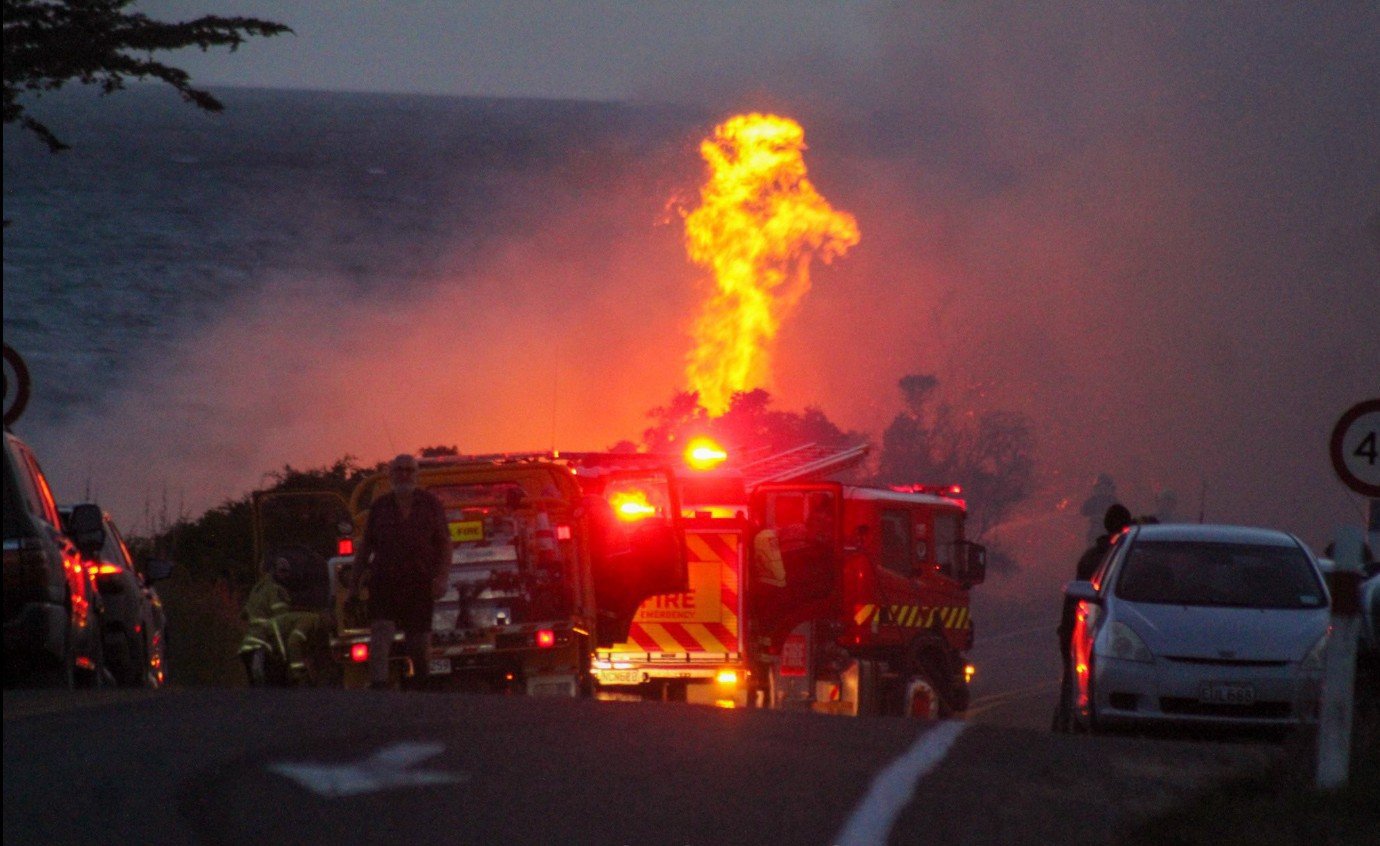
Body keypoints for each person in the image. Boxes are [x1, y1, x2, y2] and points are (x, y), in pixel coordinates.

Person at [347, 454, 451, 690]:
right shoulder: (380, 507)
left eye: (409, 470)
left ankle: (422, 686)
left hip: (419, 580)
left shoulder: (431, 504)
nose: (404, 474)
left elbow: (445, 543)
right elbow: (365, 548)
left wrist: (442, 577)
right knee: (381, 633)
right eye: (399, 470)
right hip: (385, 580)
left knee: (419, 642)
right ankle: (379, 688)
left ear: (417, 475)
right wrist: (353, 586)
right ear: (390, 475)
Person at [1052, 502, 1131, 732]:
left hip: (1087, 631)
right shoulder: (1130, 557)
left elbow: (1073, 601)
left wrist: (1066, 633)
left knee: (1074, 687)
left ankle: (1066, 725)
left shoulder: (1091, 558)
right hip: (1119, 637)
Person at [239, 554, 321, 684]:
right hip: (265, 646)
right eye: (282, 572)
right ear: (273, 571)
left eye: (287, 572)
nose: (285, 576)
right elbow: (282, 623)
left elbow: (244, 615)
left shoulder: (256, 590)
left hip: (250, 646)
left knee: (259, 692)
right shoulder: (277, 591)